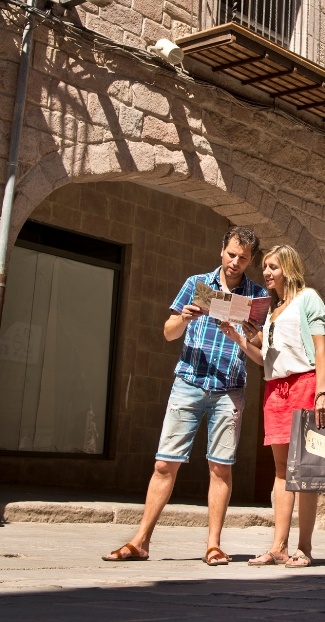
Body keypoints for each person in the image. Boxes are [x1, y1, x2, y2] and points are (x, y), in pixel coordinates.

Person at [103, 226, 265, 567]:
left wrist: (246, 335)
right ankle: (140, 540)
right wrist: (183, 317)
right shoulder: (198, 284)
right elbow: (168, 333)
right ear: (222, 249)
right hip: (190, 381)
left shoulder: (255, 297)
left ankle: (214, 545)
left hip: (229, 389)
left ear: (251, 260)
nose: (235, 262)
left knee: (220, 468)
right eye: (231, 254)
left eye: (243, 258)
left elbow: (259, 351)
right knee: (165, 463)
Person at [220, 244, 325, 569]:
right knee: (281, 471)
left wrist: (321, 391)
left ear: (289, 269)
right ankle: (278, 546)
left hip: (305, 384)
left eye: (273, 267)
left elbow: (320, 350)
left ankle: (304, 547)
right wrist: (240, 339)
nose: (266, 272)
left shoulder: (309, 298)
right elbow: (265, 360)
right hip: (275, 390)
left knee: (304, 473)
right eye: (265, 267)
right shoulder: (270, 312)